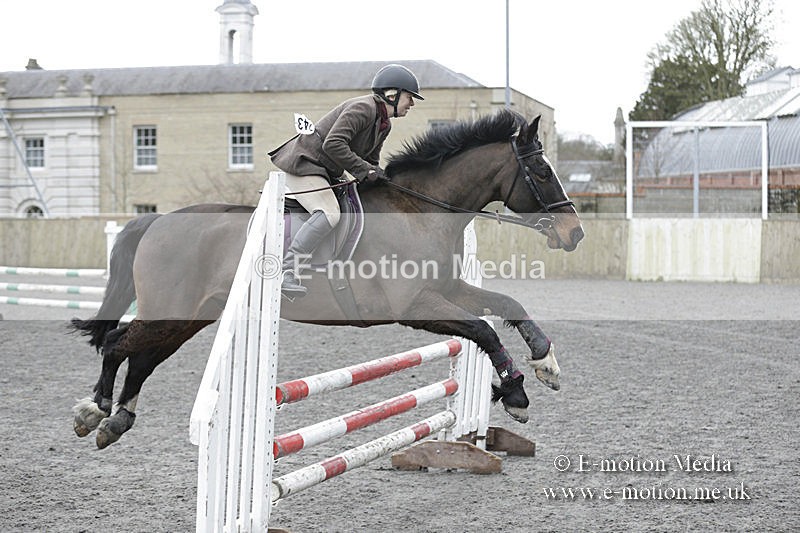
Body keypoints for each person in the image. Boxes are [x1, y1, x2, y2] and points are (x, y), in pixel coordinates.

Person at [269, 64, 423, 297]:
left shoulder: (384, 124)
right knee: (330, 213)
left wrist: (385, 182)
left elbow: (369, 160)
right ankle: (288, 271)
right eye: (410, 98)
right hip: (305, 164)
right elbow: (333, 144)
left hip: (327, 170)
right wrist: (365, 171)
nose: (412, 104)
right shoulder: (362, 108)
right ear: (392, 94)